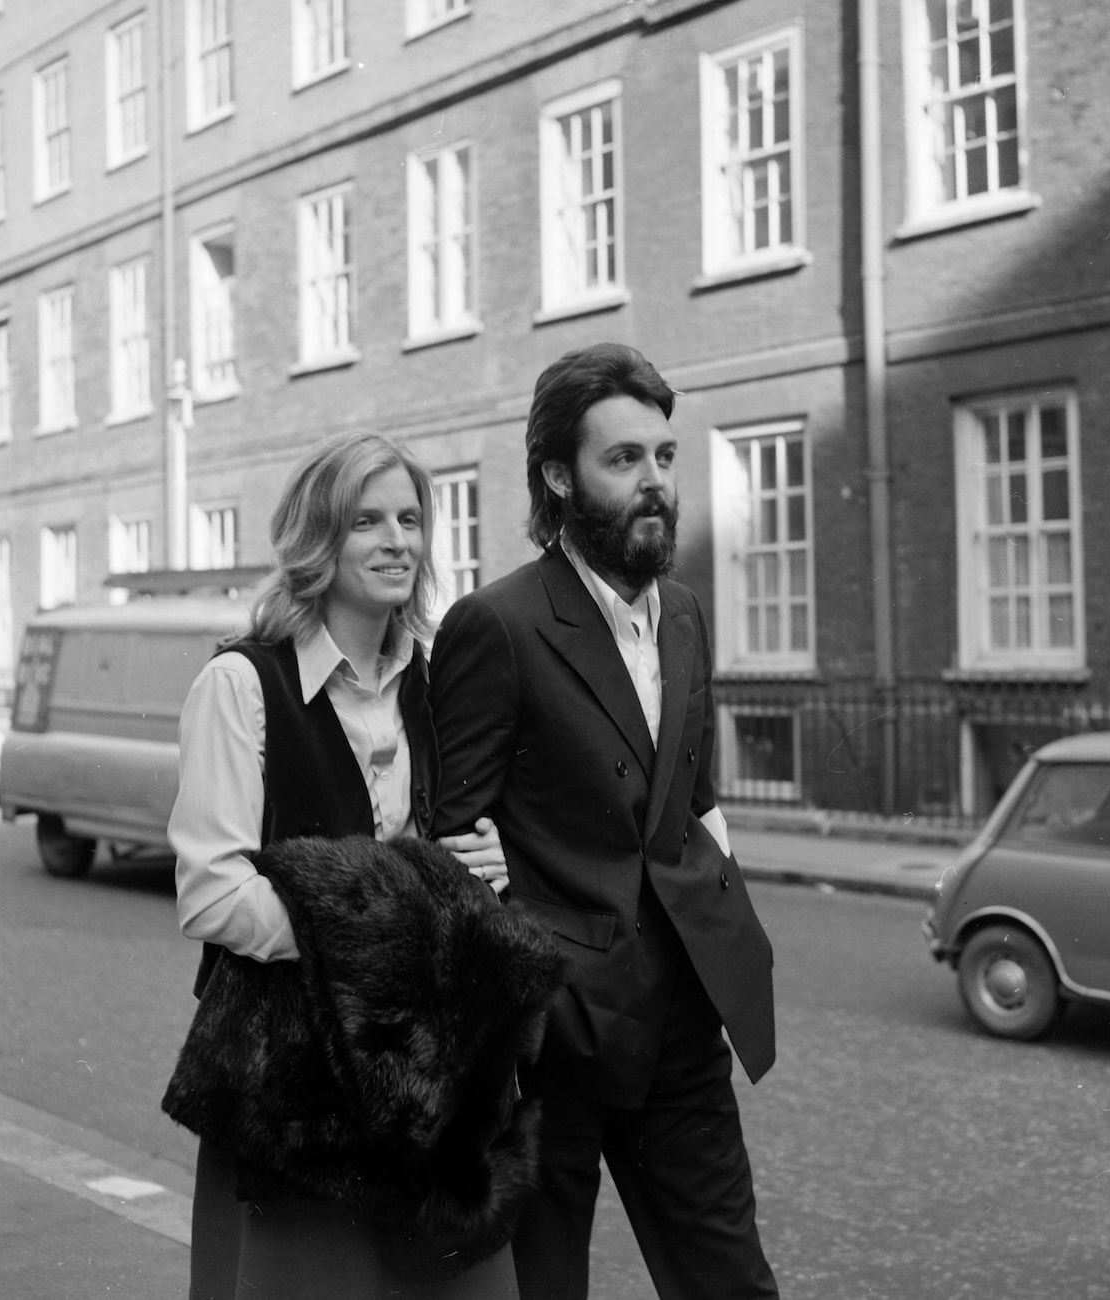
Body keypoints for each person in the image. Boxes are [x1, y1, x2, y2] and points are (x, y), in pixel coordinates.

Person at [429, 342, 780, 1299]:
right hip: (556, 1041)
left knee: (731, 1279)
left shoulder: (688, 617)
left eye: (664, 456)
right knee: (544, 1291)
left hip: (680, 1021)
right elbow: (451, 844)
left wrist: (724, 916)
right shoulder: (494, 624)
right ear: (559, 476)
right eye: (623, 460)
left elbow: (693, 799)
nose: (654, 481)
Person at [167, 431, 527, 1300]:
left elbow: (448, 856)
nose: (397, 539)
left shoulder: (437, 686)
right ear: (317, 541)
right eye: (367, 520)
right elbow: (213, 894)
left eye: (410, 519)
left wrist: (488, 865)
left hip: (429, 1087)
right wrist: (392, 928)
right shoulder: (242, 686)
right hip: (298, 1086)